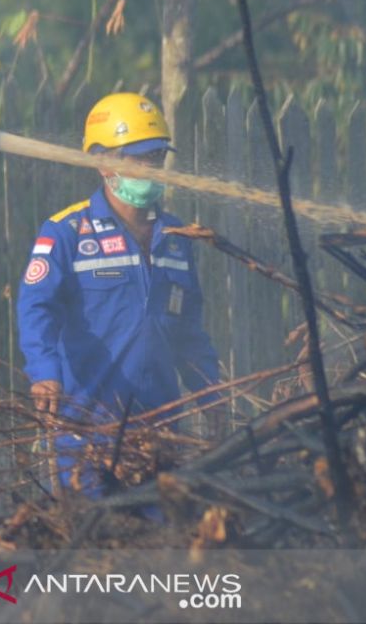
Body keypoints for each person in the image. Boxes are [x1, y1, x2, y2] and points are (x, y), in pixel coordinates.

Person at [16, 92, 224, 497]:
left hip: (160, 428)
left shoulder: (177, 237)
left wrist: (208, 389)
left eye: (157, 158)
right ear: (101, 161)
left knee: (159, 545)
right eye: (137, 159)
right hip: (87, 428)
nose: (150, 169)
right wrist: (43, 372)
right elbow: (36, 306)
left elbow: (189, 330)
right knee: (94, 543)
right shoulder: (66, 233)